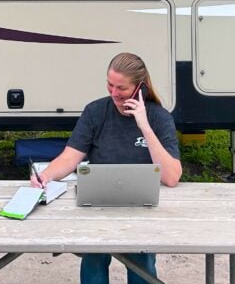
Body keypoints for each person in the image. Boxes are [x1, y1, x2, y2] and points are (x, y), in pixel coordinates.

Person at [31, 52, 182, 284]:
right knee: (93, 258)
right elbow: (70, 157)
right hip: (97, 204)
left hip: (142, 208)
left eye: (121, 88)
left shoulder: (159, 118)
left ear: (139, 88)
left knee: (142, 261)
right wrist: (45, 176)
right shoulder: (95, 112)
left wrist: (144, 126)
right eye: (109, 85)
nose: (113, 93)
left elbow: (171, 177)